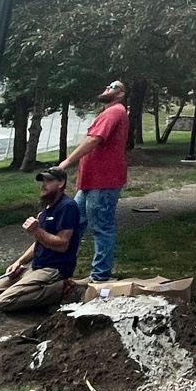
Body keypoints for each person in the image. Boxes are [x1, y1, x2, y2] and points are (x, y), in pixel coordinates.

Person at [60, 79, 130, 284]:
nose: (108, 88)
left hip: (104, 182)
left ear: (121, 95)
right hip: (92, 182)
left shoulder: (115, 111)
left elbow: (93, 139)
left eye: (114, 87)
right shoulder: (110, 112)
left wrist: (66, 162)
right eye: (107, 86)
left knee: (101, 227)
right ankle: (61, 271)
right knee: (75, 224)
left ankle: (100, 277)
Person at [0, 166, 84, 312]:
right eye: (43, 181)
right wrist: (19, 262)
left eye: (49, 181)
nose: (43, 185)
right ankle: (37, 289)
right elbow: (39, 242)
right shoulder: (46, 209)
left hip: (54, 268)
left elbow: (62, 244)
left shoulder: (67, 207)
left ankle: (64, 289)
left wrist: (36, 231)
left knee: (5, 301)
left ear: (61, 183)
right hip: (35, 266)